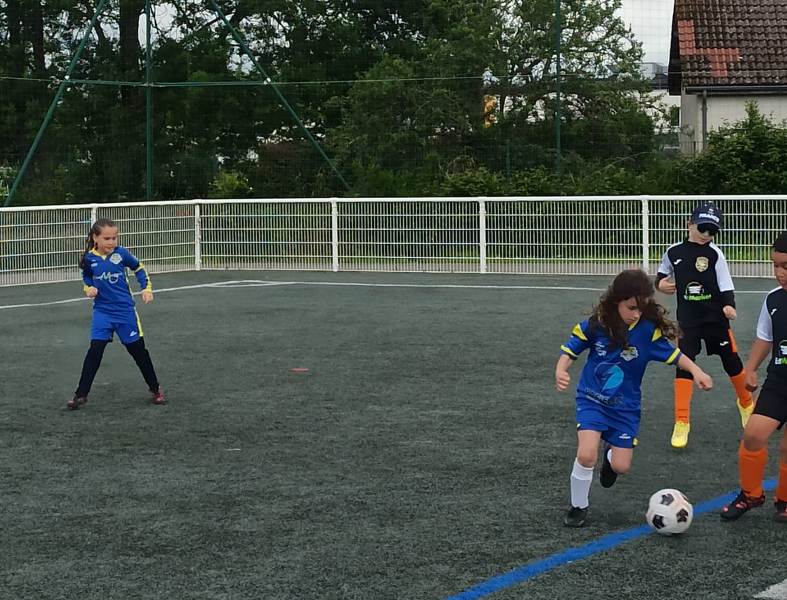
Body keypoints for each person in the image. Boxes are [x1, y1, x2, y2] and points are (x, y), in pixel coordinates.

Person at [556, 269, 713, 527]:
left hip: (625, 409)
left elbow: (675, 356)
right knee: (586, 455)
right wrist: (561, 369)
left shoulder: (647, 332)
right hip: (592, 399)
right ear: (616, 301)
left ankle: (610, 460)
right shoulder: (598, 324)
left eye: (641, 308)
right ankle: (578, 507)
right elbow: (571, 348)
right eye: (631, 308)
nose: (636, 314)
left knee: (621, 466)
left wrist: (697, 371)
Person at [656, 201, 753, 449]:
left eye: (712, 231)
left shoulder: (715, 254)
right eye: (703, 228)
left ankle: (745, 403)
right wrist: (660, 284)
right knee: (684, 364)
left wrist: (729, 306)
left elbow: (726, 284)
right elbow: (662, 275)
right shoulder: (673, 252)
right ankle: (682, 421)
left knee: (731, 360)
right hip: (688, 321)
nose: (707, 234)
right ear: (689, 224)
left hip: (715, 319)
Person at [721, 231, 787, 522]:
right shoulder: (774, 300)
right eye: (775, 265)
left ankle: (784, 500)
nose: (779, 273)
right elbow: (765, 338)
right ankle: (751, 494)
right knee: (753, 435)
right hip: (779, 381)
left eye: (785, 266)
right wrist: (751, 368)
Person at [69, 218, 165, 410]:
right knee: (95, 351)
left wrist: (146, 288)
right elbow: (86, 277)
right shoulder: (89, 258)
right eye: (107, 238)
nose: (112, 242)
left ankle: (156, 389)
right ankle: (80, 394)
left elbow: (139, 268)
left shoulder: (121, 254)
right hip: (102, 313)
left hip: (125, 312)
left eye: (114, 238)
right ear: (95, 238)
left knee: (138, 352)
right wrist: (88, 288)